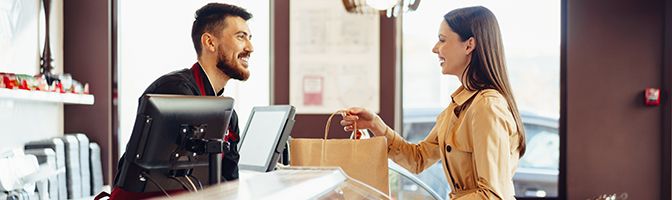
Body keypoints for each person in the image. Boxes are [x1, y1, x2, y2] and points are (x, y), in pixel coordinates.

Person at [340, 6, 525, 200]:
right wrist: (375, 125)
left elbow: (492, 195)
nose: (435, 48)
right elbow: (417, 159)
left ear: (469, 45)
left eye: (442, 40)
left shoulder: (486, 106)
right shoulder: (459, 105)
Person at [108, 3, 254, 199]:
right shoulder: (174, 91)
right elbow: (167, 180)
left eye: (250, 38)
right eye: (241, 36)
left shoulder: (229, 115)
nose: (250, 48)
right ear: (210, 43)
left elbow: (228, 183)